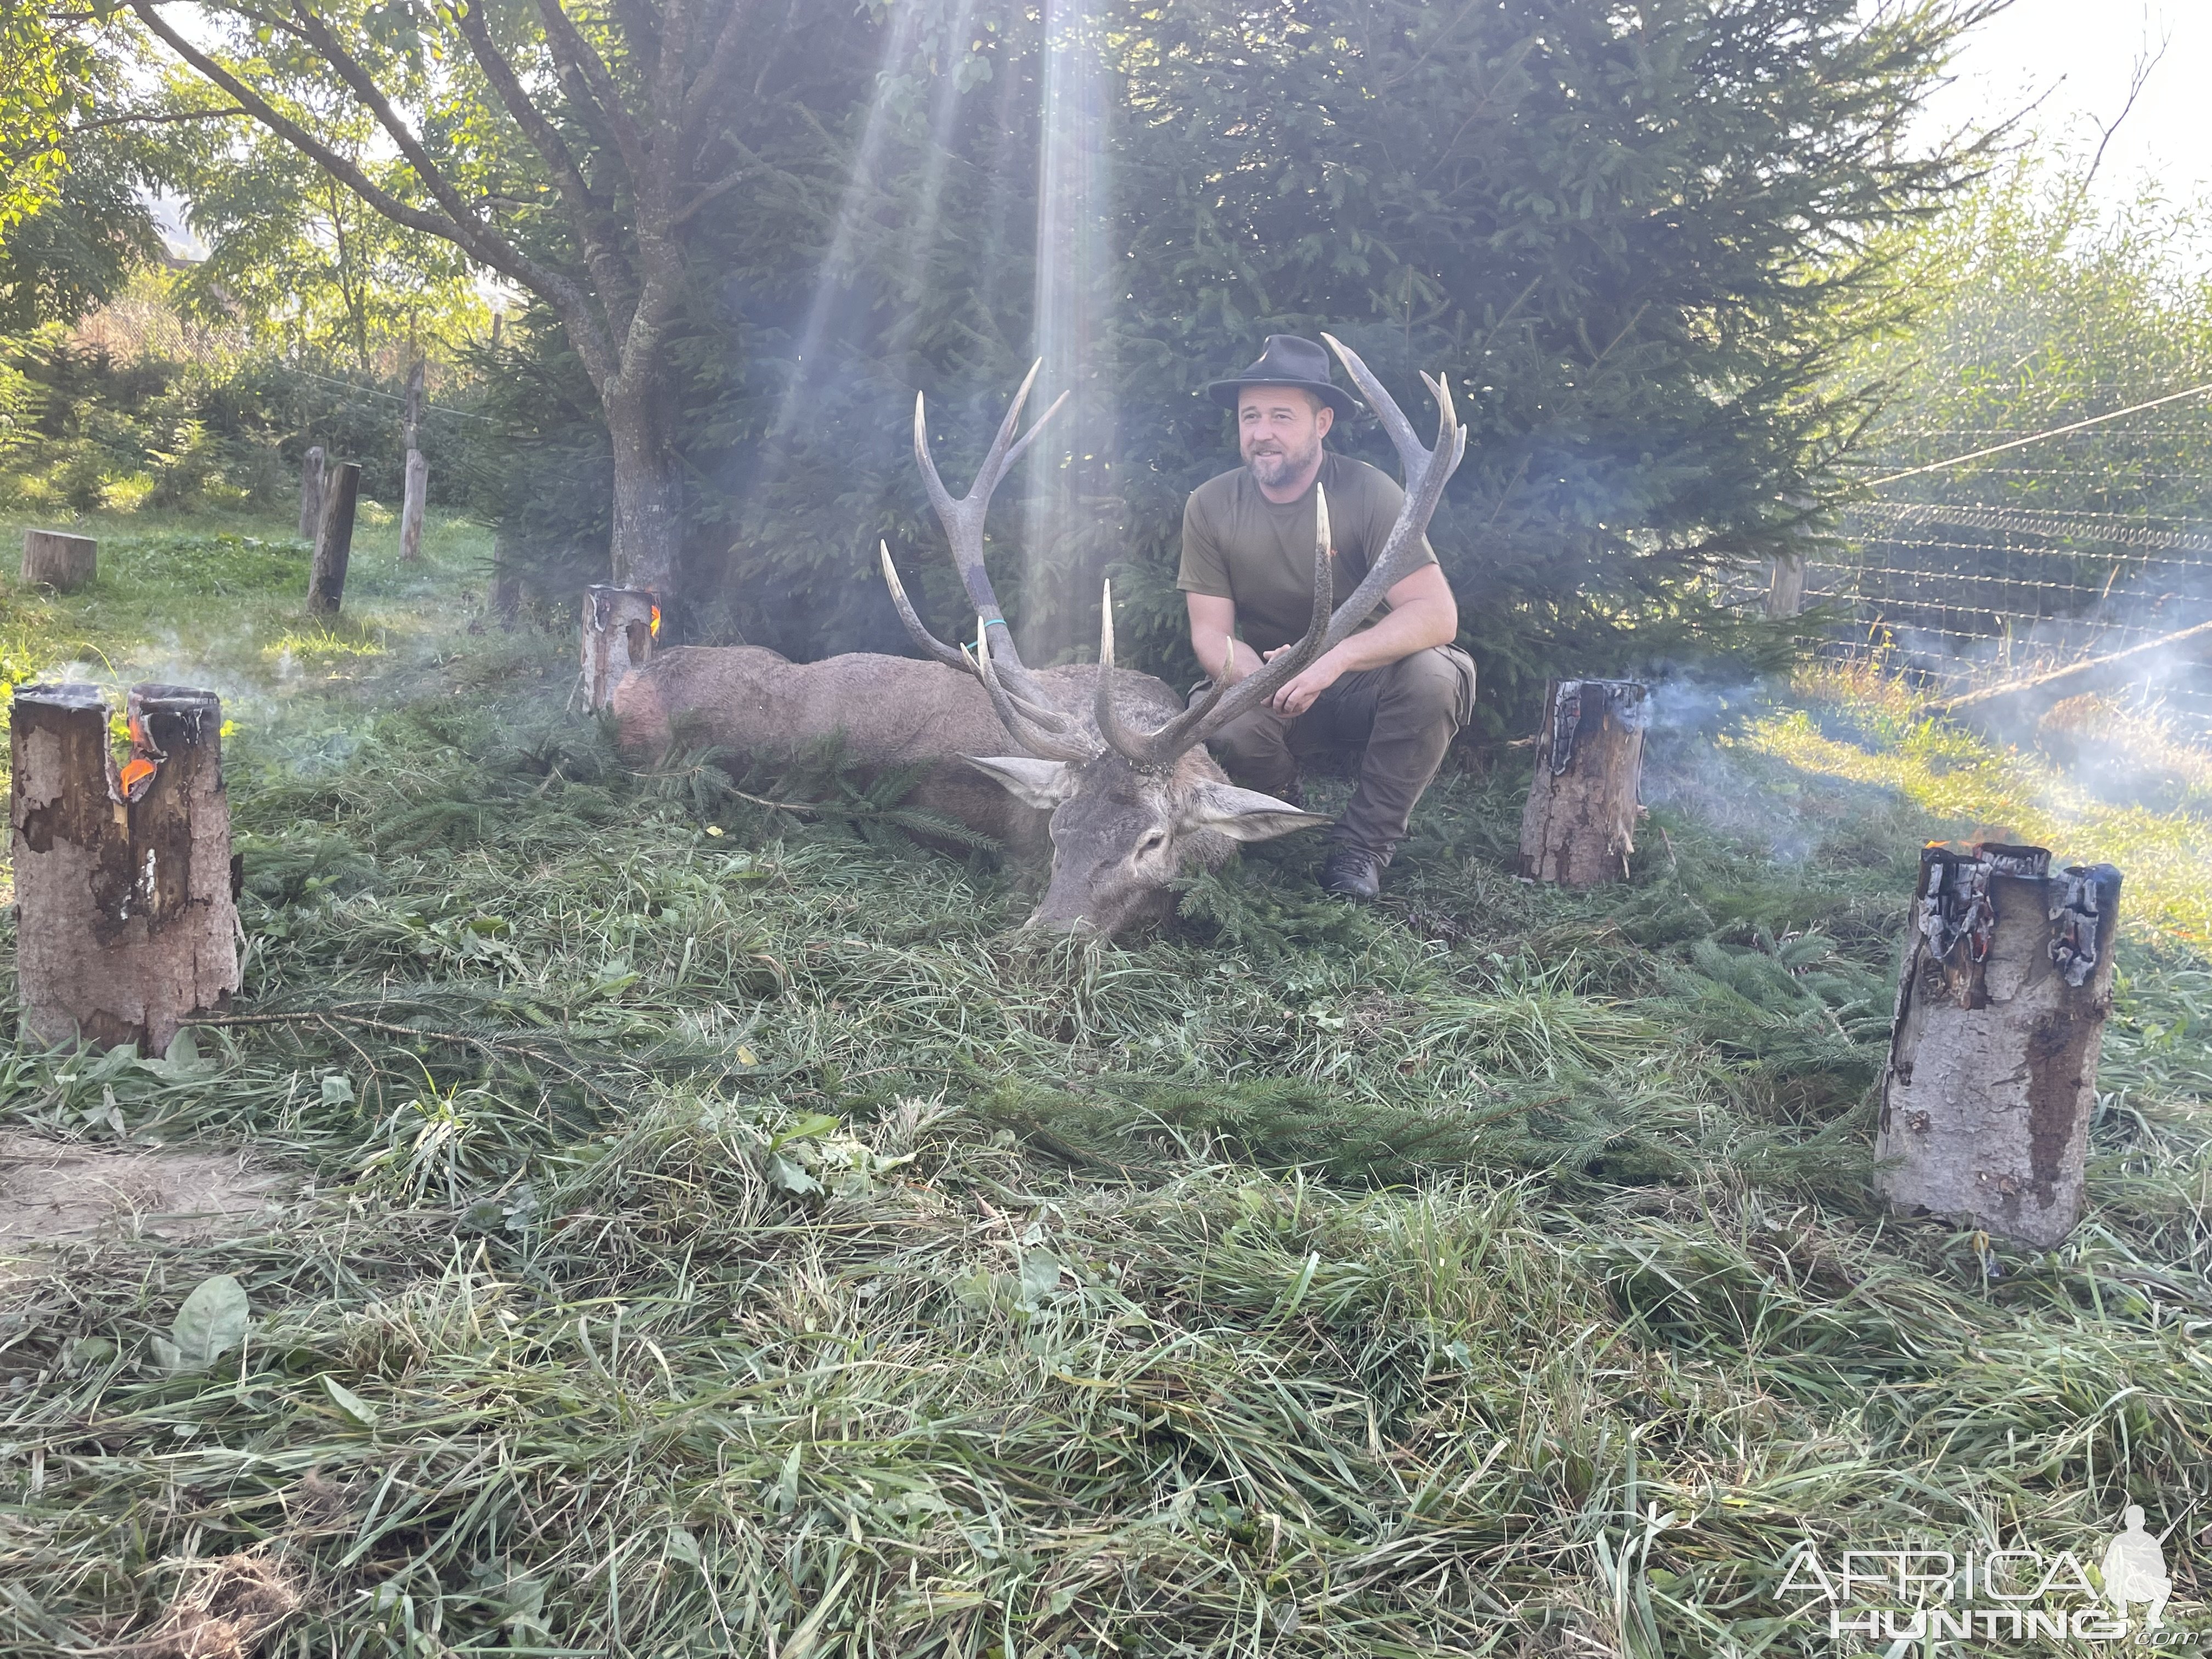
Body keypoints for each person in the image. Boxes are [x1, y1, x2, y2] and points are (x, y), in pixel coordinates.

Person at [1177, 334, 1476, 900]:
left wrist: (1333, 661)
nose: (1262, 431)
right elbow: (1211, 633)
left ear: (1322, 423)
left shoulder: (1369, 493)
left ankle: (1363, 846)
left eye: (1281, 416)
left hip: (1364, 679)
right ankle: (1284, 812)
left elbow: (1437, 614)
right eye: (1251, 416)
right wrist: (1254, 676)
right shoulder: (1211, 505)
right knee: (1222, 720)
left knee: (1436, 676)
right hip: (1273, 684)